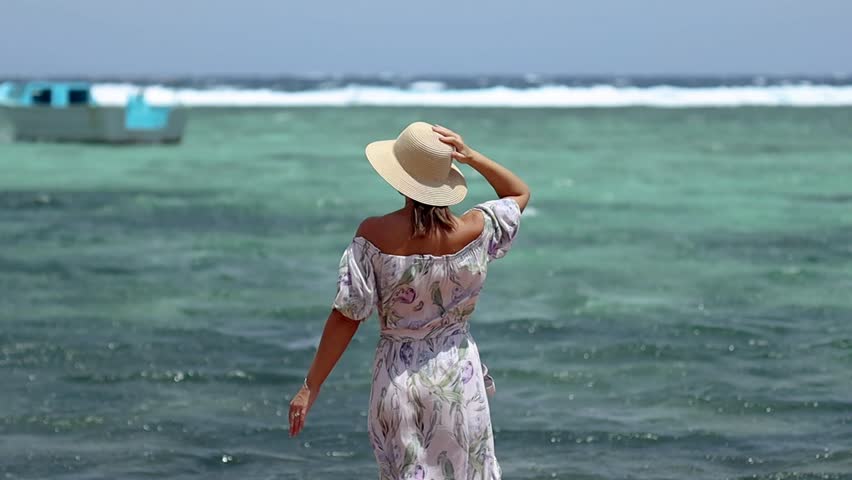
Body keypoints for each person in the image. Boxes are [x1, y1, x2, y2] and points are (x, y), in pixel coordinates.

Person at [289, 121, 530, 479]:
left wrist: (311, 386)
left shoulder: (374, 235)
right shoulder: (476, 229)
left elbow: (348, 315)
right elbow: (518, 194)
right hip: (459, 379)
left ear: (399, 176)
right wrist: (472, 157)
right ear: (445, 179)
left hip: (398, 380)